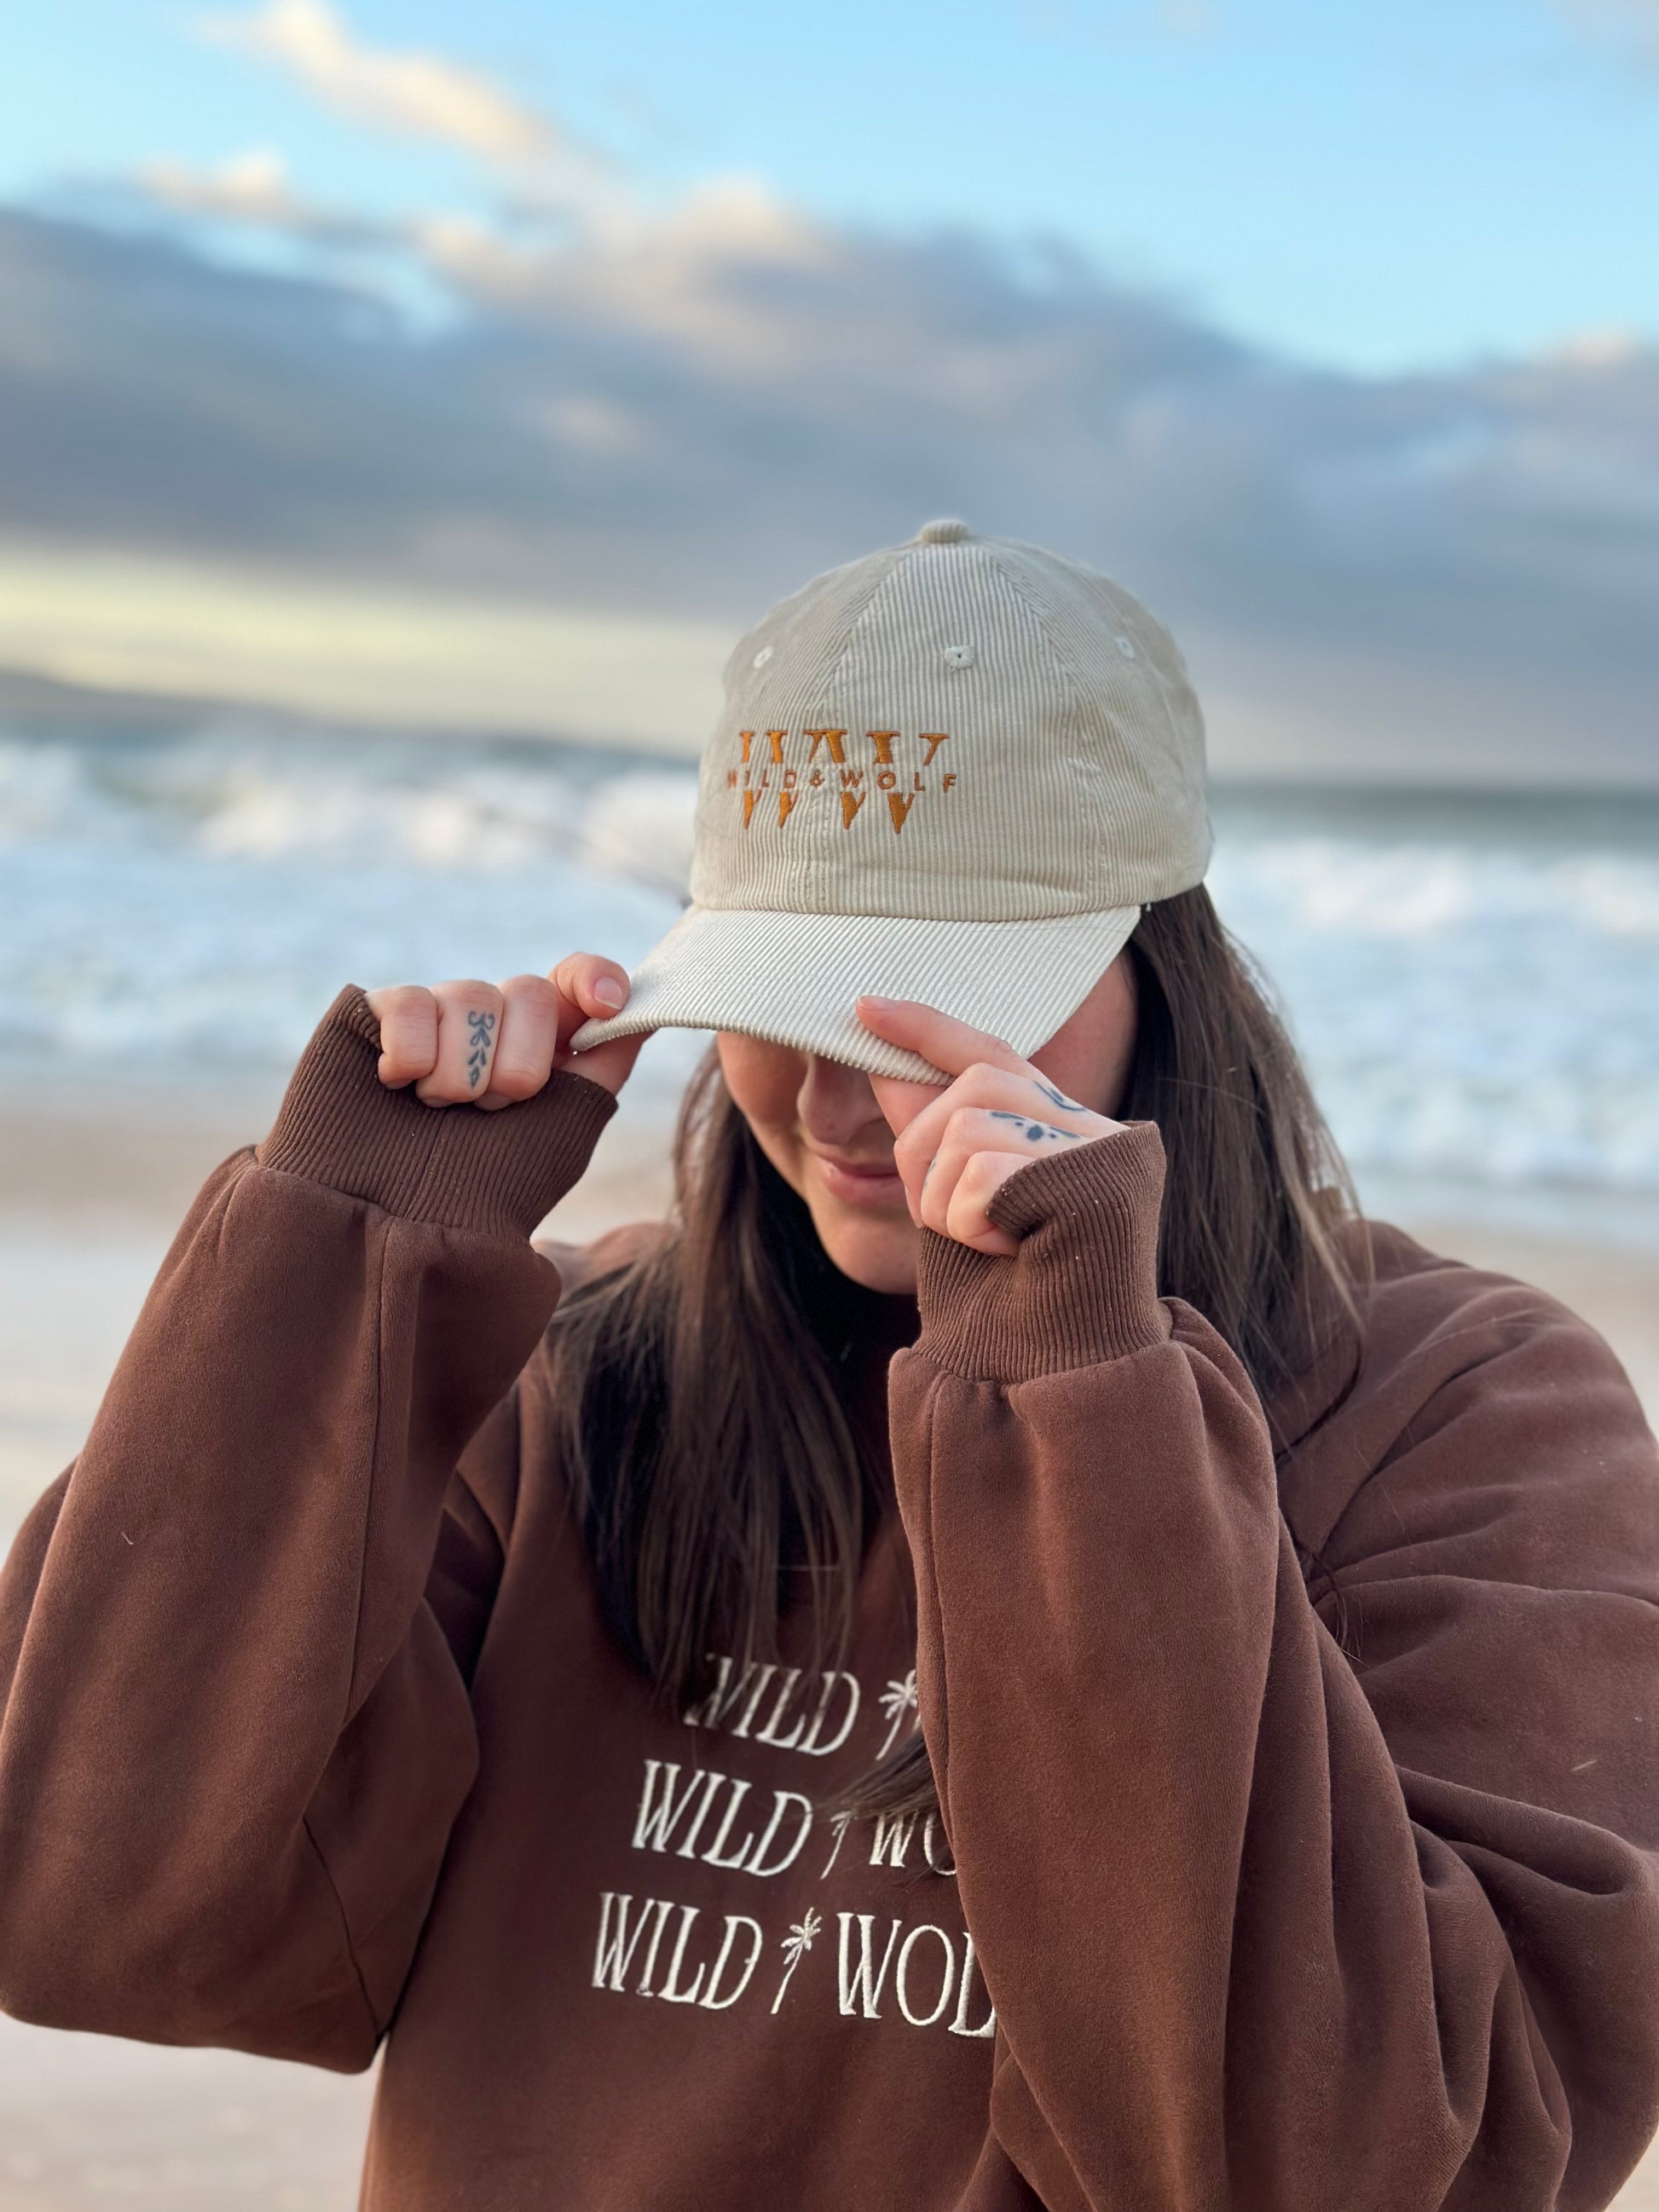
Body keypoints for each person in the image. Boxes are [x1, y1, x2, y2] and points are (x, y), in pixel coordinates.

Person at [2, 520, 1656, 2212]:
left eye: (930, 1003)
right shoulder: (574, 1368)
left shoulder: (1467, 1408)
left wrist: (1071, 1394)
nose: (840, 1096)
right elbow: (102, 1914)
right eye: (783, 998)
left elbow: (1360, 2170)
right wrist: (345, 1265)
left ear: (1163, 975)